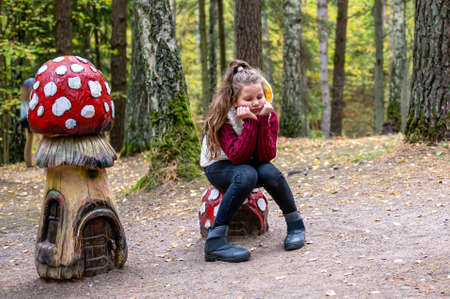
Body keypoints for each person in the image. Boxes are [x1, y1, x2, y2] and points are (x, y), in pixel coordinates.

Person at [200, 60, 306, 263]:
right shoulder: (224, 119)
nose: (256, 102)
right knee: (247, 174)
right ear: (234, 101)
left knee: (269, 172)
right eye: (248, 99)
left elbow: (266, 156)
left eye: (260, 96)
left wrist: (263, 122)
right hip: (219, 165)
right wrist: (249, 122)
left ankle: (295, 225)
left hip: (249, 161)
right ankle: (215, 242)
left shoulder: (267, 113)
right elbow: (236, 156)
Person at [20, 78, 35, 167]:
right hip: (28, 117)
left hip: (25, 117)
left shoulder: (27, 83)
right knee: (30, 139)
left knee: (29, 139)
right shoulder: (32, 83)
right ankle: (29, 163)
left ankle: (29, 163)